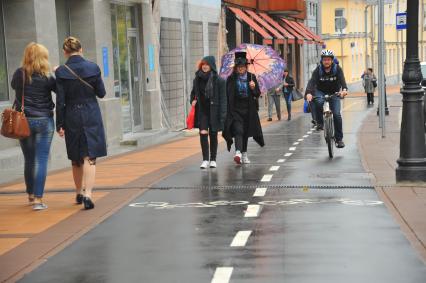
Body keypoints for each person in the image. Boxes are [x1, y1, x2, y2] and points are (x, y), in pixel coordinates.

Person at [55, 37, 107, 210]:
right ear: (81, 49)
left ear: (65, 52)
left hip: (71, 115)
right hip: (91, 113)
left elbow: (60, 101)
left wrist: (59, 124)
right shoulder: (93, 68)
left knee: (76, 157)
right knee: (89, 156)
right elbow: (101, 93)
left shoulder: (61, 71)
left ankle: (78, 192)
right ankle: (88, 195)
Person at [11, 43, 56, 210]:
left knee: (29, 159)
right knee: (41, 159)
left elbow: (14, 87)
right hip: (44, 120)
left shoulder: (19, 73)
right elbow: (59, 91)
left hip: (24, 121)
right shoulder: (48, 76)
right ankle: (38, 199)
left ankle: (30, 194)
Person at [223, 51, 265, 164]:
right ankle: (238, 152)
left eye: (242, 67)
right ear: (236, 68)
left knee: (245, 132)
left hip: (248, 109)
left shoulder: (252, 77)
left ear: (246, 67)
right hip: (235, 109)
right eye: (239, 67)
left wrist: (253, 87)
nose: (241, 69)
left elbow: (257, 94)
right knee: (238, 130)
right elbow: (227, 95)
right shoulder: (231, 79)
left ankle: (244, 154)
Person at [305, 49, 348, 148]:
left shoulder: (337, 69)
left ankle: (339, 139)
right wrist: (308, 93)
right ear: (322, 60)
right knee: (318, 102)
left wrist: (344, 90)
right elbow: (312, 82)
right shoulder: (318, 70)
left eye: (328, 59)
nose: (327, 61)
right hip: (321, 91)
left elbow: (342, 81)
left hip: (334, 93)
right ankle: (320, 123)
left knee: (337, 114)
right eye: (325, 59)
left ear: (332, 60)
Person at [190, 56, 226, 169]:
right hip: (202, 111)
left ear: (211, 66)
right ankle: (205, 159)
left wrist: (223, 115)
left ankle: (213, 159)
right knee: (203, 133)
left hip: (214, 111)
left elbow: (223, 99)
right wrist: (192, 101)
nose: (205, 66)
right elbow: (193, 94)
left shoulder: (219, 80)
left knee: (213, 134)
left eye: (207, 64)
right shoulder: (197, 79)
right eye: (203, 64)